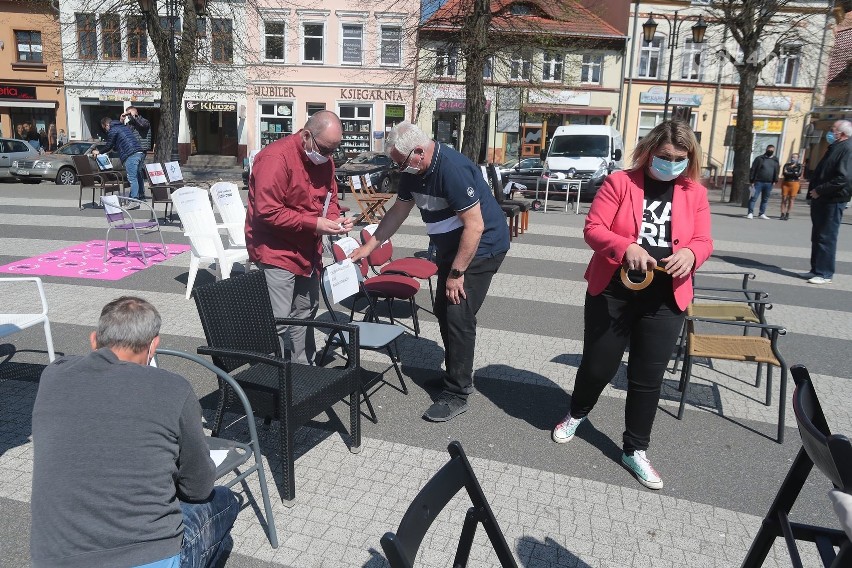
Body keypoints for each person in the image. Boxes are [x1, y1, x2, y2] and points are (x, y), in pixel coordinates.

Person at [550, 121, 713, 490]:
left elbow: (704, 240)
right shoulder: (620, 183)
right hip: (614, 291)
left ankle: (634, 449)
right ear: (649, 151)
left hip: (666, 298)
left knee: (647, 378)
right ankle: (577, 413)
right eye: (664, 157)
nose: (671, 164)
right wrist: (626, 247)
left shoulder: (695, 193)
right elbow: (594, 228)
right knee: (598, 364)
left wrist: (691, 253)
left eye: (679, 159)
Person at [31, 296, 240, 568]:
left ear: (94, 340)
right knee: (226, 501)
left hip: (53, 558)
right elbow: (198, 488)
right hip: (147, 555)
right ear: (154, 345)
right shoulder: (173, 388)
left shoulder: (53, 377)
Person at [350, 121, 510, 422]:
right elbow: (398, 211)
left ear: (419, 152)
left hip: (481, 247)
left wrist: (456, 274)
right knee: (442, 309)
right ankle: (455, 373)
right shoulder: (413, 170)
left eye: (401, 162)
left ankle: (458, 392)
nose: (399, 169)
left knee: (457, 313)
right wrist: (369, 246)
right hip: (454, 248)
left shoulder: (452, 169)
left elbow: (475, 227)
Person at [245, 110, 352, 364]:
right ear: (306, 136)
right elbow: (267, 212)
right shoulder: (275, 157)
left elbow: (330, 197)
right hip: (276, 250)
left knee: (305, 312)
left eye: (333, 151)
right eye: (325, 149)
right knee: (279, 319)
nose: (328, 157)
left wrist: (335, 219)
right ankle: (273, 373)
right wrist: (315, 224)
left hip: (307, 250)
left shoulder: (324, 159)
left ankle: (303, 368)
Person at [803, 119, 852, 285]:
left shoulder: (847, 149)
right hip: (821, 199)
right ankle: (816, 269)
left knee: (826, 237)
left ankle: (824, 273)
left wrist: (820, 190)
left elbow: (843, 178)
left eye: (833, 130)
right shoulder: (835, 147)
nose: (830, 133)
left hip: (832, 199)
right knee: (817, 236)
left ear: (843, 133)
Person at [93, 115, 147, 200]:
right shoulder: (122, 127)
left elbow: (109, 145)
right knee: (138, 175)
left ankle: (134, 199)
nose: (106, 131)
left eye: (104, 128)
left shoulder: (113, 130)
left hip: (131, 154)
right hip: (140, 152)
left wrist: (98, 152)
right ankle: (141, 195)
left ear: (106, 125)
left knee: (132, 178)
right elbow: (118, 144)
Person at [747, 144, 780, 219]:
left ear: (774, 151)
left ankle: (761, 213)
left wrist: (775, 180)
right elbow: (753, 169)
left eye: (772, 150)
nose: (770, 151)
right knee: (753, 198)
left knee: (765, 199)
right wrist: (752, 180)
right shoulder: (759, 158)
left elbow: (777, 170)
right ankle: (750, 213)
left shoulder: (775, 160)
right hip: (758, 182)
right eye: (769, 150)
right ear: (766, 150)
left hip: (769, 183)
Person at [779, 152, 802, 220]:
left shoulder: (799, 166)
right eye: (792, 157)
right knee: (784, 199)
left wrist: (790, 172)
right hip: (786, 183)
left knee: (791, 199)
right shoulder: (786, 165)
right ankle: (782, 213)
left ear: (797, 158)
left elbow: (798, 175)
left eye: (795, 157)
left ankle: (787, 214)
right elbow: (784, 173)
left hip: (794, 183)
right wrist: (794, 172)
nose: (793, 159)